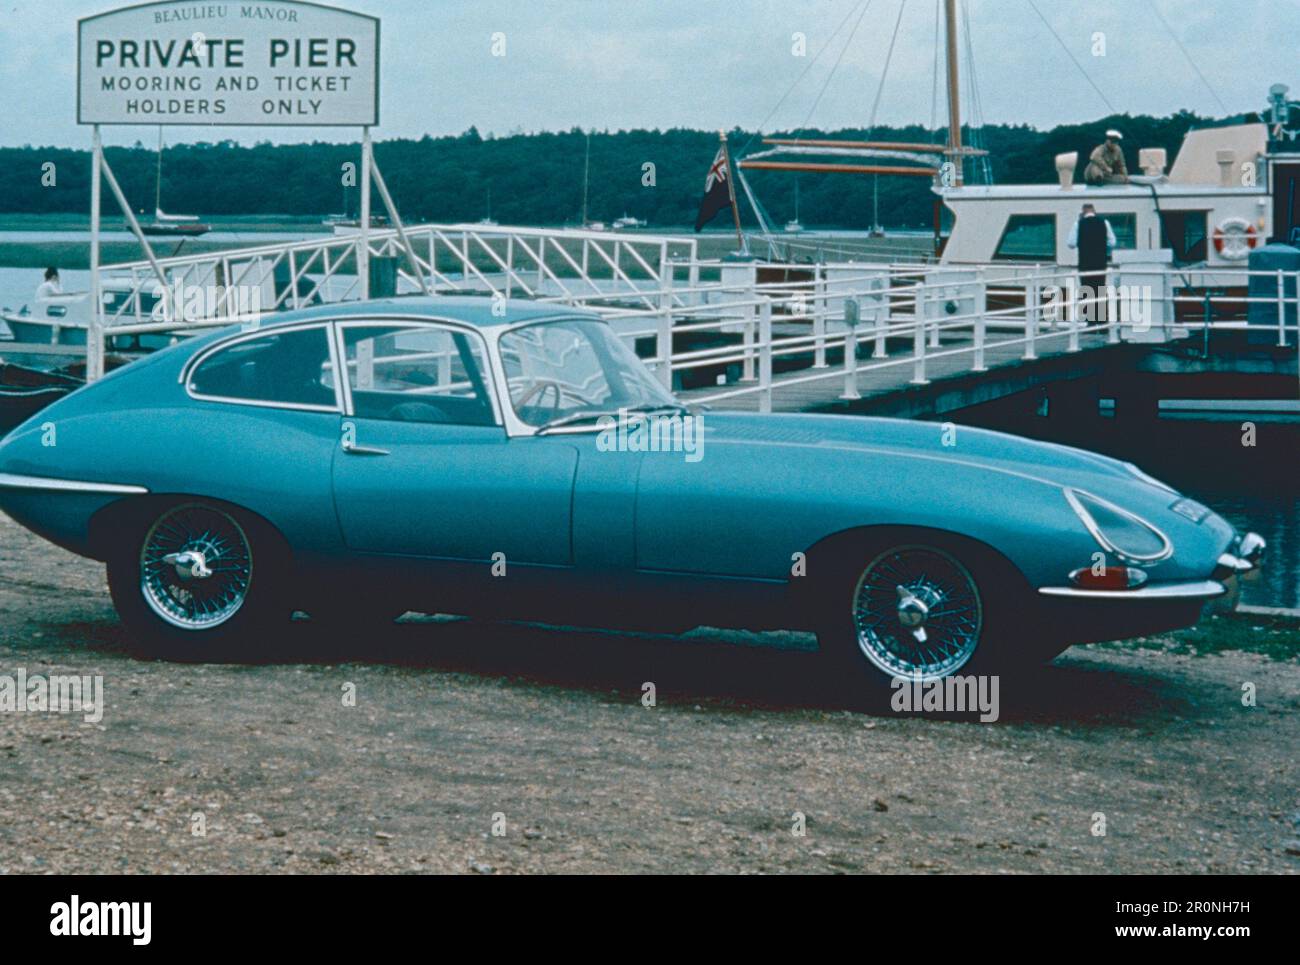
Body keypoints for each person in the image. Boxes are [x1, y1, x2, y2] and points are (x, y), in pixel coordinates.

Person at [1067, 204, 1116, 325]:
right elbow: (1112, 242)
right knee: (1100, 289)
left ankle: (1091, 321)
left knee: (1087, 290)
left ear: (1083, 212)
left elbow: (1071, 243)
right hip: (1100, 262)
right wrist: (1102, 246)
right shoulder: (1104, 223)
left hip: (1085, 262)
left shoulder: (1078, 224)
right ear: (1094, 211)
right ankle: (1102, 320)